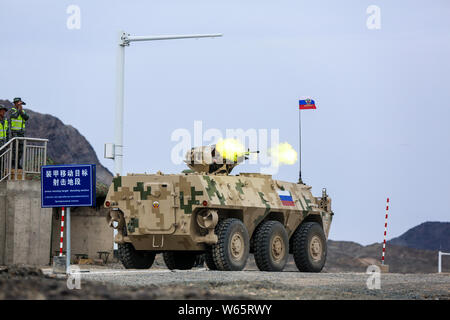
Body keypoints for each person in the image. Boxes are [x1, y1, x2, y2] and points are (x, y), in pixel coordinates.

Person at [10, 97, 29, 169]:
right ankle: (13, 163)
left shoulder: (22, 111)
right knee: (14, 149)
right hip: (14, 133)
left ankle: (17, 163)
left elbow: (26, 117)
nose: (19, 104)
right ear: (15, 104)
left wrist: (21, 111)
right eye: (18, 103)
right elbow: (14, 116)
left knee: (20, 149)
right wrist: (19, 110)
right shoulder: (12, 110)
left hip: (21, 133)